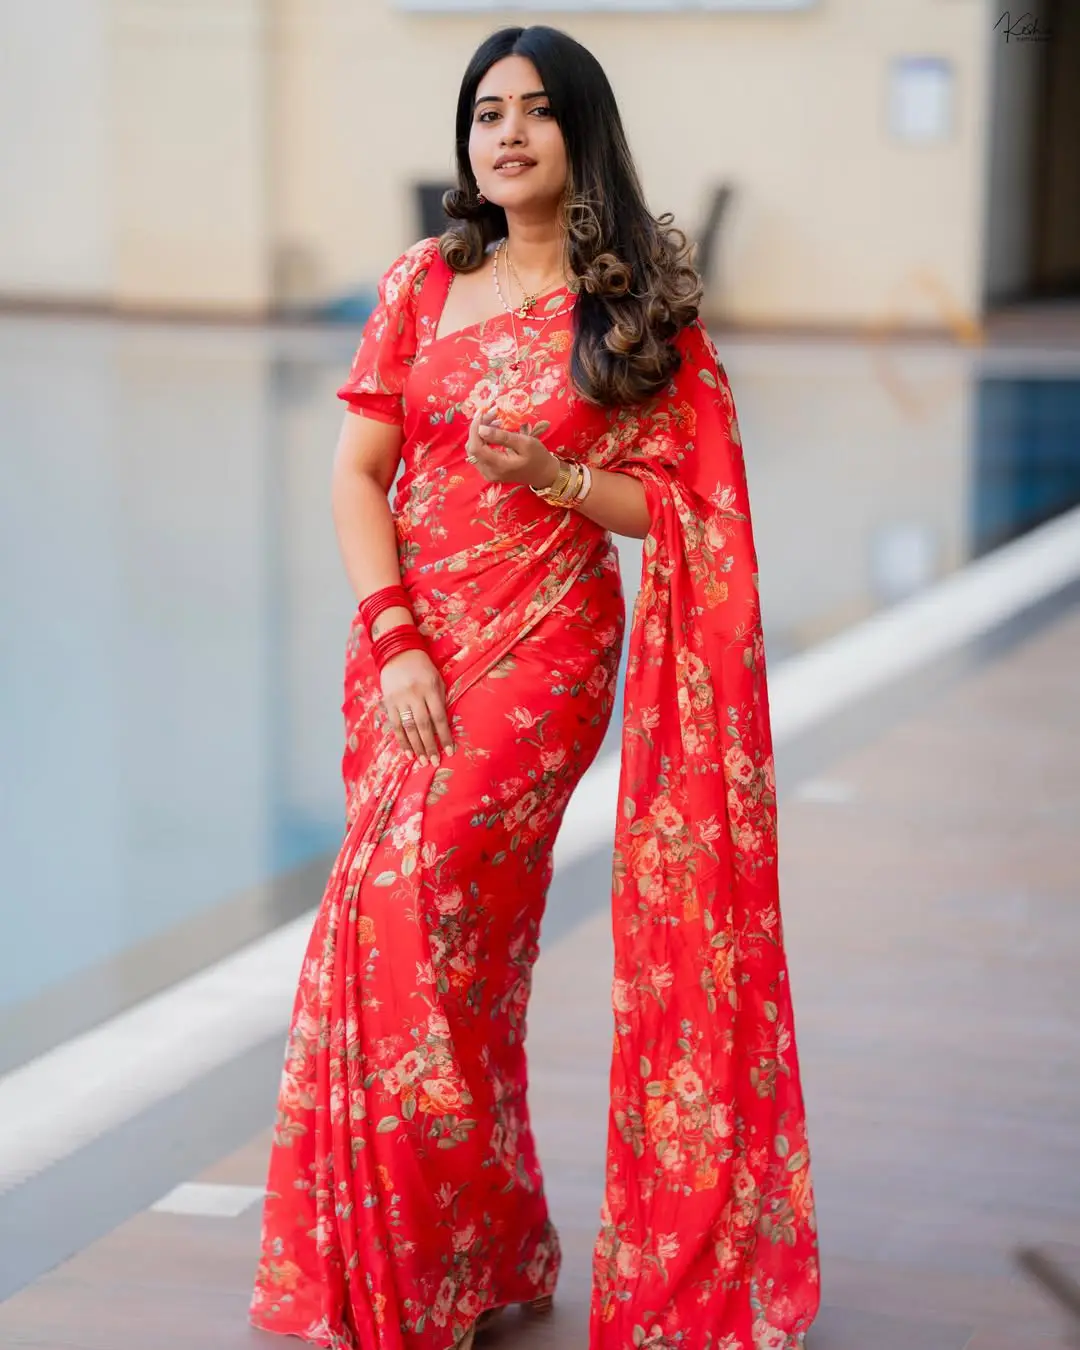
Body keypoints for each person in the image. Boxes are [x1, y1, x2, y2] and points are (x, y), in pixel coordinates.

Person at [250, 23, 819, 1350]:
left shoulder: (629, 313)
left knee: (409, 905)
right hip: (408, 654)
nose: (504, 134)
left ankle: (431, 1275)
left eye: (534, 113)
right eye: (484, 113)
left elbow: (683, 511)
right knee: (454, 957)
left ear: (581, 135)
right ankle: (484, 1253)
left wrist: (553, 478)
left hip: (544, 656)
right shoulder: (419, 283)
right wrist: (394, 638)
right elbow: (355, 474)